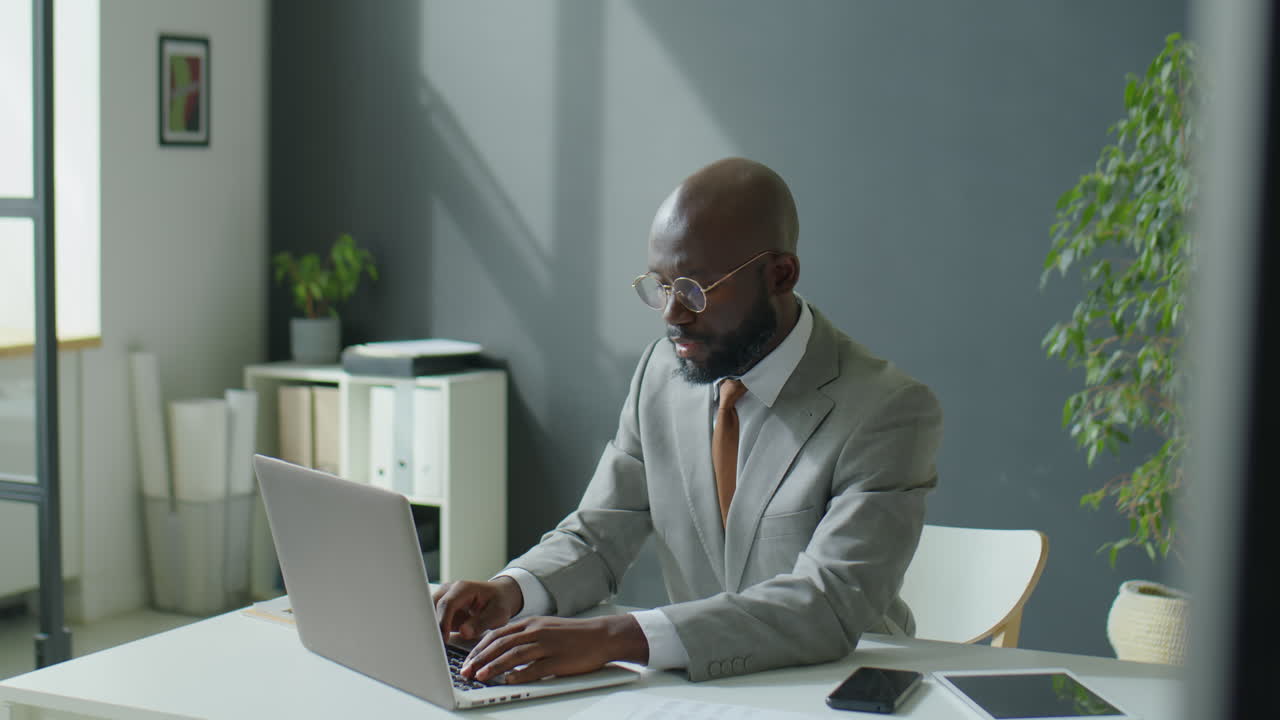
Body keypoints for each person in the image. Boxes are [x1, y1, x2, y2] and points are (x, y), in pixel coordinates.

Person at [433, 157, 943, 684]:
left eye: (696, 289)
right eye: (660, 285)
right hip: (703, 689)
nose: (672, 313)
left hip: (837, 686)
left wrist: (614, 637)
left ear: (780, 275)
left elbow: (827, 603)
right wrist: (510, 591)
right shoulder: (661, 373)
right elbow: (599, 535)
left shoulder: (887, 410)